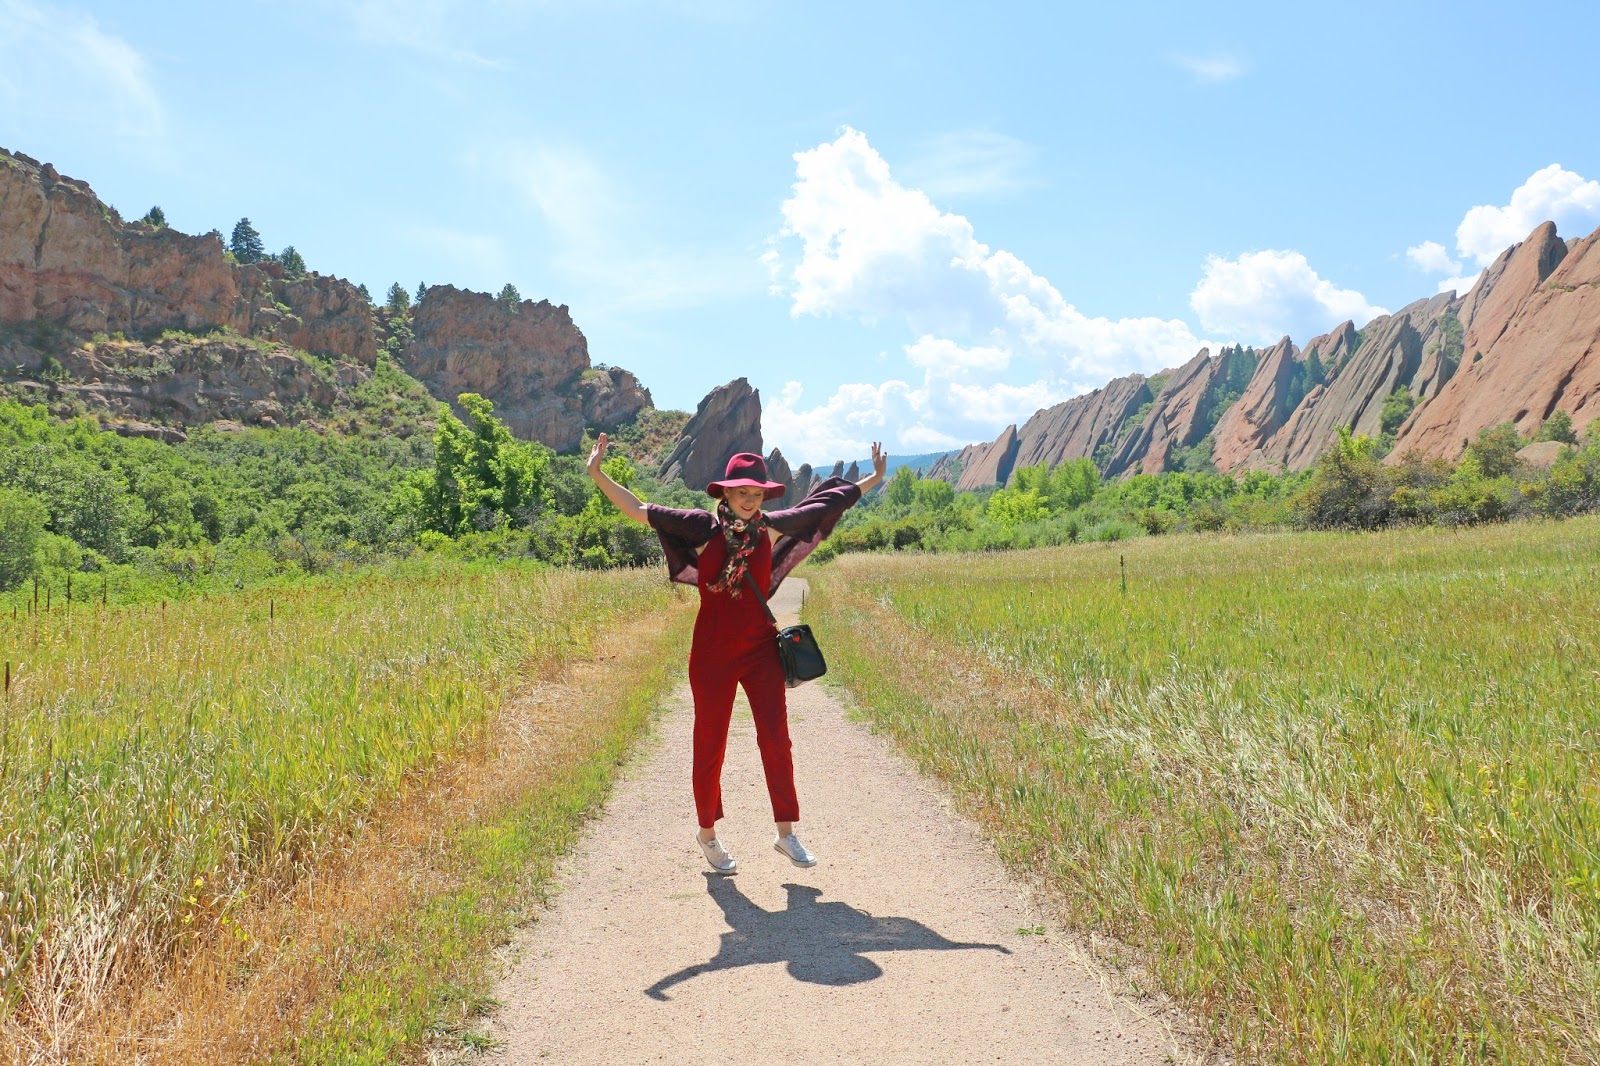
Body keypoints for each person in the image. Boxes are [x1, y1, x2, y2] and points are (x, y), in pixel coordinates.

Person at [587, 435, 886, 872]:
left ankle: (786, 834)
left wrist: (875, 478)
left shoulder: (771, 526)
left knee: (776, 738)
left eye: (756, 493)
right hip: (711, 653)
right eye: (742, 491)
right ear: (725, 492)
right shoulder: (700, 527)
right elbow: (638, 509)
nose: (749, 499)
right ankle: (707, 834)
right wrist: (597, 473)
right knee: (710, 743)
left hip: (760, 648)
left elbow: (827, 504)